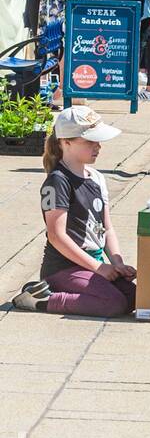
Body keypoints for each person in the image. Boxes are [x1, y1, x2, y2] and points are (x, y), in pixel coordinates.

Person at [10, 108, 136, 318]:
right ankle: (43, 299)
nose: (98, 146)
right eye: (90, 141)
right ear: (65, 142)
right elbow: (56, 236)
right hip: (64, 268)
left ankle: (83, 289)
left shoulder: (96, 177)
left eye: (98, 141)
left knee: (134, 298)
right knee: (112, 304)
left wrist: (117, 263)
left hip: (92, 264)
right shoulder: (57, 181)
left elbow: (107, 228)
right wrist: (98, 267)